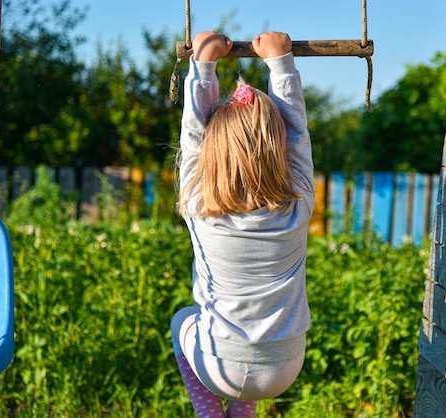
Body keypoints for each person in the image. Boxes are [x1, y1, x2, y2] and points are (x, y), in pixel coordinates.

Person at [170, 30, 315, 418]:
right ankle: (244, 412)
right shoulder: (297, 203)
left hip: (217, 366)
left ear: (213, 154)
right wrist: (280, 63)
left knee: (181, 319)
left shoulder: (199, 204)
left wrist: (203, 65)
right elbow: (298, 135)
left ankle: (210, 413)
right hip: (283, 367)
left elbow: (193, 136)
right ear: (277, 148)